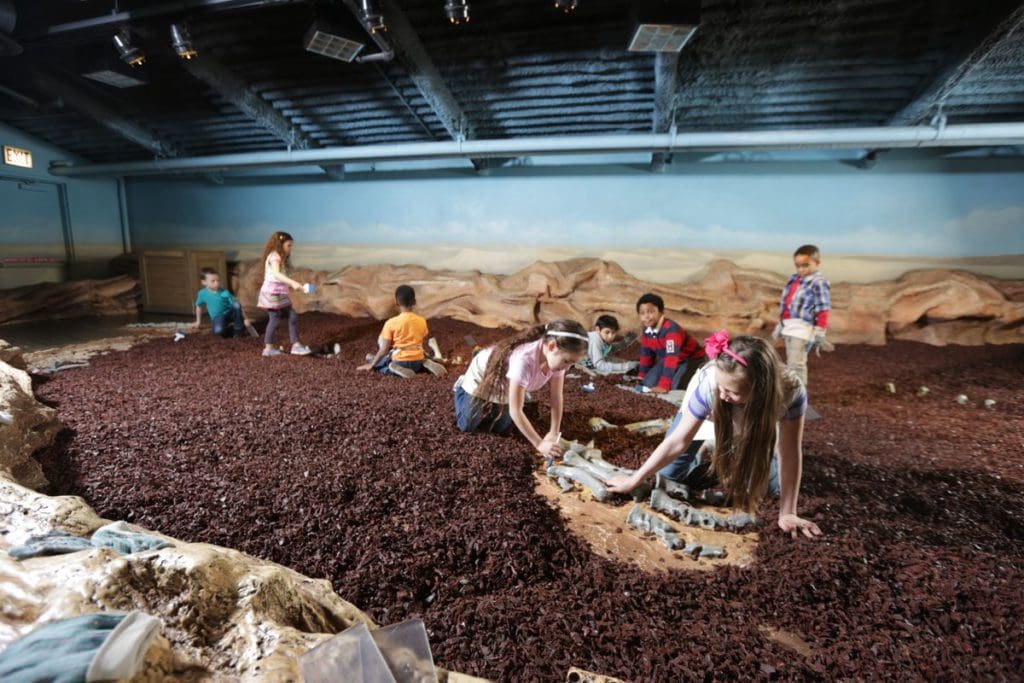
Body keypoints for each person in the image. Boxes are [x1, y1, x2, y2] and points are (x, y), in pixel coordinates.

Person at [607, 331, 822, 539]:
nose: (723, 394)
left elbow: (790, 452)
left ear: (760, 389)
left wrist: (788, 512)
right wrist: (634, 480)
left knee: (770, 488)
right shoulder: (711, 384)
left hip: (752, 424)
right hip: (706, 418)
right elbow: (677, 441)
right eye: (721, 386)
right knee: (669, 475)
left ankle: (739, 453)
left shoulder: (791, 391)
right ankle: (713, 453)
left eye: (732, 391)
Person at [453, 319, 589, 458]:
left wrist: (554, 431)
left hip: (507, 383)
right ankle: (461, 387)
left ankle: (505, 397)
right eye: (567, 361)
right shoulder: (524, 360)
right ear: (552, 346)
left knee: (500, 429)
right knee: (468, 426)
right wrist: (539, 444)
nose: (567, 368)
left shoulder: (559, 361)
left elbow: (556, 396)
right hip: (483, 376)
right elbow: (515, 410)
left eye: (572, 364)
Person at [356, 285, 446, 378]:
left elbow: (384, 349)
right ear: (414, 302)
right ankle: (425, 364)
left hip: (400, 360)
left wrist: (372, 365)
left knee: (380, 366)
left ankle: (393, 368)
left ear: (396, 302)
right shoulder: (422, 320)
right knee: (417, 359)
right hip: (418, 359)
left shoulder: (391, 323)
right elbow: (422, 339)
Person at [773, 244, 831, 386]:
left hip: (803, 329)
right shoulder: (794, 279)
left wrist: (820, 331)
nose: (801, 269)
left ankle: (799, 396)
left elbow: (823, 308)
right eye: (797, 265)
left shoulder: (818, 283)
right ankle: (792, 390)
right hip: (789, 326)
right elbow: (787, 304)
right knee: (791, 362)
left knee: (796, 365)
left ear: (817, 263)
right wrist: (781, 324)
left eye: (805, 265)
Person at [257, 230, 312, 357]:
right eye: (289, 245)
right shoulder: (274, 256)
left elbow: (283, 275)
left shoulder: (282, 258)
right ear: (279, 244)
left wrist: (296, 284)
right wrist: (292, 283)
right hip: (272, 293)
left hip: (280, 292)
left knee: (292, 315)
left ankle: (296, 345)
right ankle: (268, 348)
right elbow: (276, 274)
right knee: (274, 318)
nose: (290, 248)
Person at [635, 292, 705, 392]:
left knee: (674, 388)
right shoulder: (647, 330)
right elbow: (646, 354)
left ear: (661, 312)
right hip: (668, 357)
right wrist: (642, 375)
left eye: (650, 312)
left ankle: (694, 373)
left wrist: (664, 385)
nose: (646, 316)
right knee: (647, 383)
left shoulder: (671, 329)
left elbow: (671, 358)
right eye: (642, 313)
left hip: (689, 359)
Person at [189, 267, 253, 338]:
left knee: (236, 304)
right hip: (218, 317)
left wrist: (246, 318)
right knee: (218, 331)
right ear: (204, 282)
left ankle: (238, 330)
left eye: (218, 280)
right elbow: (198, 306)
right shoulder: (202, 293)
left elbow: (237, 305)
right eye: (213, 281)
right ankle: (227, 327)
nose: (217, 283)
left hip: (230, 314)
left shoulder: (224, 292)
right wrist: (198, 322)